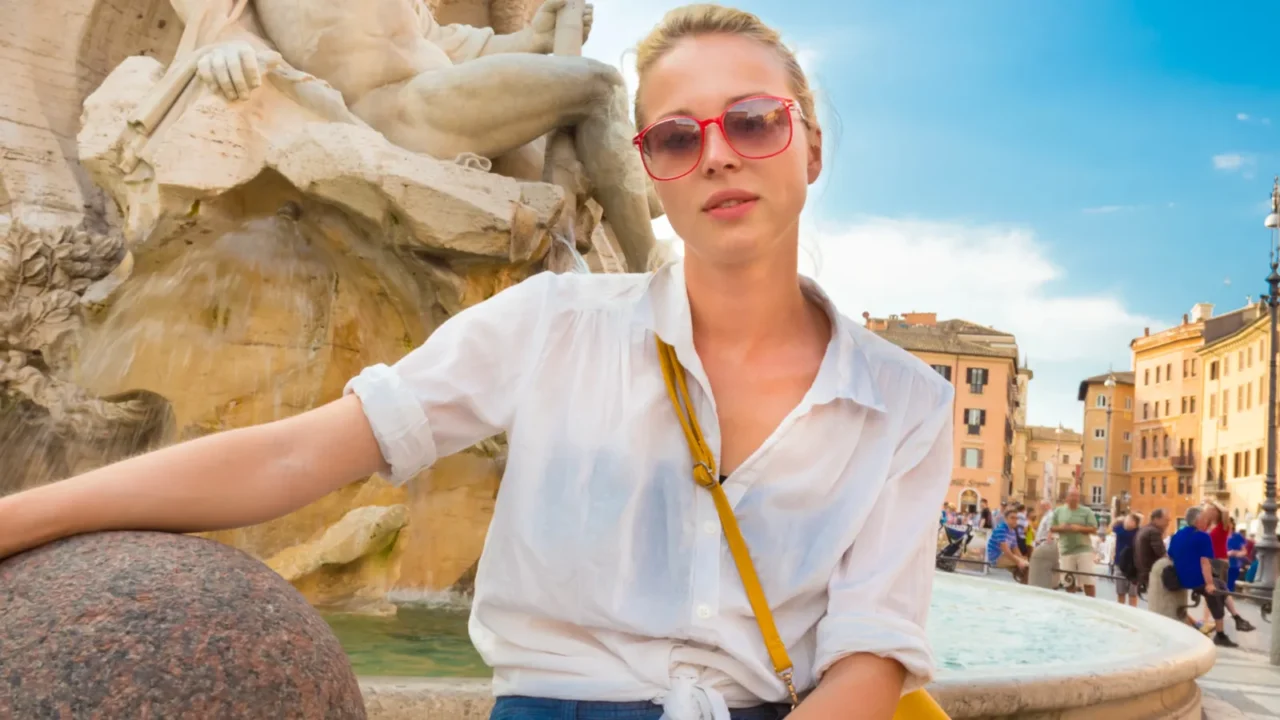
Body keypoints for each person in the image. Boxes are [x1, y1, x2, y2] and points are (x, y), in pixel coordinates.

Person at [0, 5, 954, 719]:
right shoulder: (552, 321)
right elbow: (293, 456)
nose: (717, 156)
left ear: (810, 146)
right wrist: (21, 516)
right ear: (653, 170)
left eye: (753, 121)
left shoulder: (906, 401)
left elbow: (871, 659)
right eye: (676, 136)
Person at [1166, 507, 1238, 648]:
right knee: (1216, 590)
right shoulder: (1203, 537)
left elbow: (1170, 555)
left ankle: (1234, 617)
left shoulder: (1177, 534)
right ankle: (1220, 633)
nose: (1206, 521)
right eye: (1204, 519)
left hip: (1179, 577)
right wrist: (1209, 583)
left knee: (1219, 585)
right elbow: (1205, 562)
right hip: (1194, 579)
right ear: (1198, 521)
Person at [1202, 504, 1255, 633]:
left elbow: (1225, 510)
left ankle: (1213, 621)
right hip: (1210, 561)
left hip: (1219, 562)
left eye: (1211, 510)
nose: (1208, 512)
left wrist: (1213, 501)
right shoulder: (1208, 526)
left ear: (1217, 512)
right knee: (1217, 591)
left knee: (1216, 591)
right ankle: (1231, 618)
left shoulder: (1223, 526)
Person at [1049, 487, 1099, 596]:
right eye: (1072, 495)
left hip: (1084, 548)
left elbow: (1094, 529)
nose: (1074, 498)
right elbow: (1051, 528)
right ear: (1067, 497)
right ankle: (1071, 603)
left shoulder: (1087, 511)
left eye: (1076, 496)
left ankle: (1091, 603)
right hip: (1066, 549)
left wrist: (1079, 528)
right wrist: (1062, 528)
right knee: (1068, 581)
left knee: (1087, 578)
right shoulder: (1058, 511)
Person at [986, 507, 1029, 584]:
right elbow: (1005, 550)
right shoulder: (1001, 529)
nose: (1015, 520)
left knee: (1024, 564)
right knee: (1025, 566)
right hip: (995, 558)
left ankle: (1024, 584)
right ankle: (1027, 586)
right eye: (1012, 518)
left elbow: (1015, 549)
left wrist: (1022, 559)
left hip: (1003, 556)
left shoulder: (1012, 531)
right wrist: (1019, 561)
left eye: (1016, 518)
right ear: (1006, 519)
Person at [1132, 508, 1169, 591]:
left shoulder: (1144, 529)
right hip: (1151, 573)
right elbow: (1162, 553)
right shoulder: (1154, 532)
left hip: (1142, 572)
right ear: (1156, 519)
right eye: (1166, 520)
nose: (1168, 523)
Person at [1110, 513, 1140, 607]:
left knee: (1133, 594)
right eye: (1126, 520)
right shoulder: (1120, 529)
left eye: (1129, 520)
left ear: (1135, 523)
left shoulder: (1138, 532)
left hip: (1134, 566)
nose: (1126, 522)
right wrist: (1118, 519)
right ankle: (1121, 611)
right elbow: (1111, 526)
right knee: (1120, 592)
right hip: (1119, 564)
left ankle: (1133, 611)